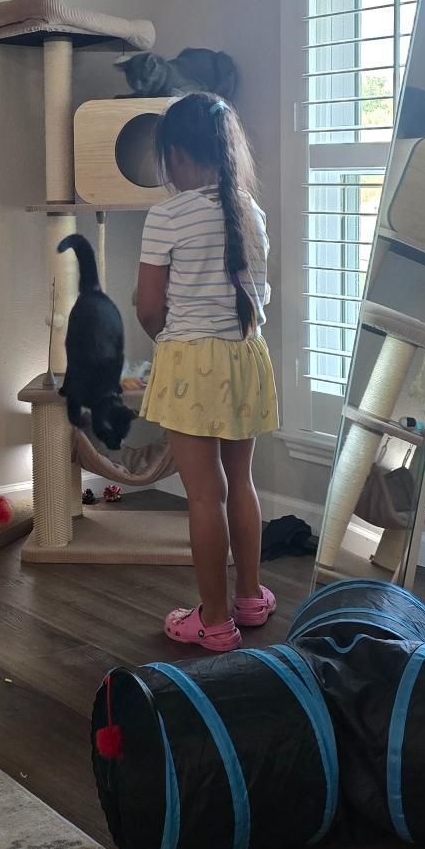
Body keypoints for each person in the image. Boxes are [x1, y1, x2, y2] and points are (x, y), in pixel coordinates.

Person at [134, 93, 279, 651]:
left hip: (192, 360)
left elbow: (149, 307)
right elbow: (256, 292)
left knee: (202, 495)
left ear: (173, 153)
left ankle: (215, 622)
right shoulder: (249, 209)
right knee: (240, 480)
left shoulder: (166, 215)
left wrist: (171, 342)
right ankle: (250, 597)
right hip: (245, 355)